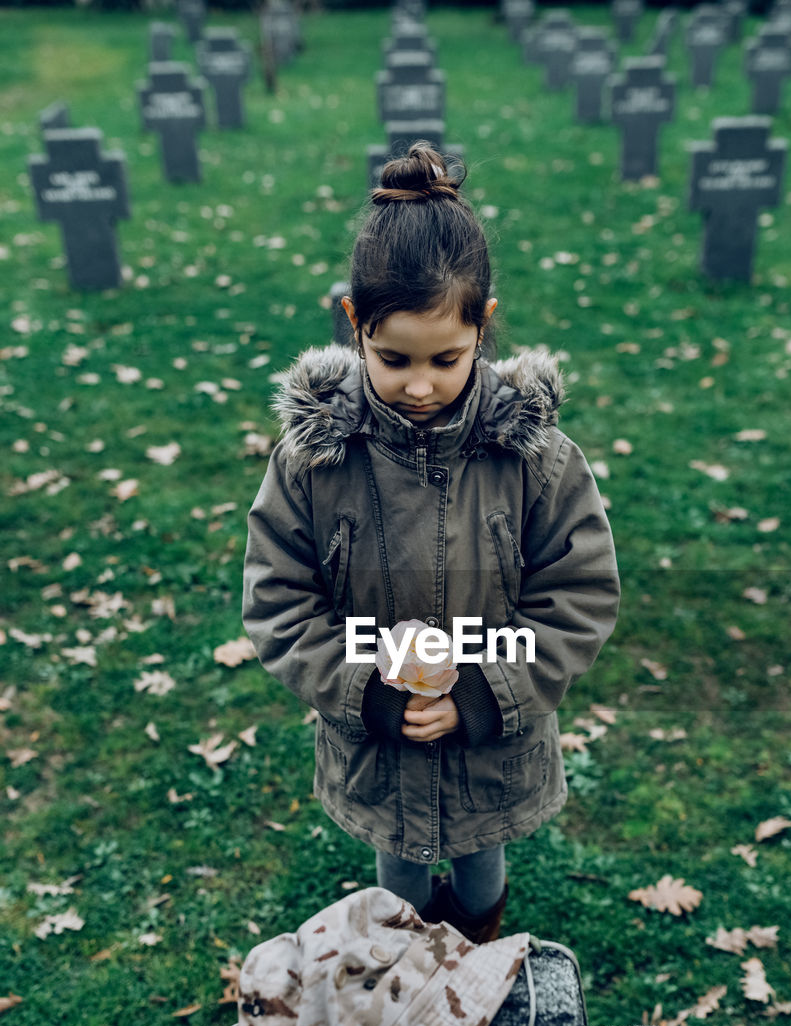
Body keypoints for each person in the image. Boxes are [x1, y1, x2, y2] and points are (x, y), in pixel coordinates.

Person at [243, 143, 620, 944]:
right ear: (353, 323)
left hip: (493, 742)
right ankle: (404, 964)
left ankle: (474, 956)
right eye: (392, 360)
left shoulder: (536, 460)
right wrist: (365, 693)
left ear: (482, 325)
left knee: (481, 853)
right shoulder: (315, 461)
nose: (420, 385)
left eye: (446, 360)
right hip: (375, 743)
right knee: (399, 861)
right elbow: (278, 599)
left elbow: (578, 597)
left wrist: (486, 694)